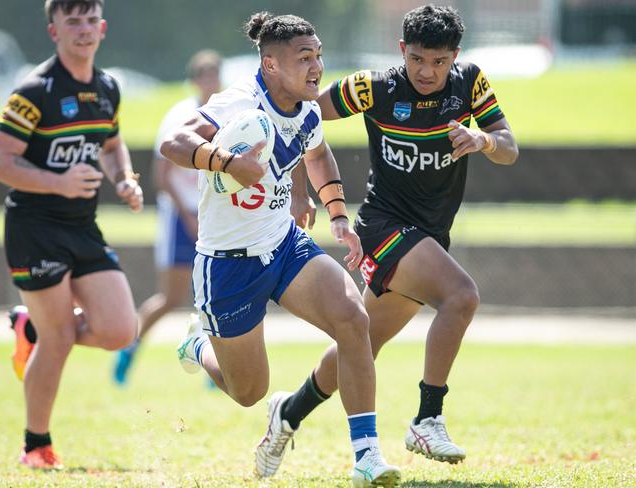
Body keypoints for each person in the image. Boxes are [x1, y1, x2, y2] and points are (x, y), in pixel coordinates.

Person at [160, 12, 401, 487]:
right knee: (249, 391)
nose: (316, 66)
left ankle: (367, 457)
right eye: (303, 57)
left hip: (283, 244)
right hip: (228, 266)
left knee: (354, 320)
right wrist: (227, 161)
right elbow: (173, 142)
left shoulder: (308, 109)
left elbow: (315, 152)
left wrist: (334, 214)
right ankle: (198, 345)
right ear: (270, 64)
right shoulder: (237, 104)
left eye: (318, 55)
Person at [282, 4, 519, 467]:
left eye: (439, 61)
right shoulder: (374, 87)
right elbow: (297, 115)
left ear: (455, 56)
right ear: (401, 50)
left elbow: (508, 146)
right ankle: (428, 419)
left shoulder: (469, 82)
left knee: (362, 344)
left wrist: (483, 141)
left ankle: (288, 412)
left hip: (429, 236)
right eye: (417, 59)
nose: (427, 71)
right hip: (383, 226)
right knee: (462, 296)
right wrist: (298, 189)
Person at [0, 0, 143, 469]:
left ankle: (29, 327)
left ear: (103, 27)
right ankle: (36, 446)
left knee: (120, 330)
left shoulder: (108, 87)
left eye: (90, 19)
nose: (83, 29)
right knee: (57, 340)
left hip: (81, 227)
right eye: (71, 21)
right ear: (54, 30)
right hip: (34, 229)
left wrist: (125, 178)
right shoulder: (34, 91)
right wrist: (58, 182)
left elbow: (112, 146)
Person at [113, 50, 223, 386]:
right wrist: (187, 215)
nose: (210, 81)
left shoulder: (227, 115)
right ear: (194, 81)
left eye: (214, 75)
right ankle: (128, 350)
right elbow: (162, 176)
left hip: (213, 217)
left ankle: (217, 366)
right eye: (204, 75)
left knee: (218, 294)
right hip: (180, 218)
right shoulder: (180, 115)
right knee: (171, 298)